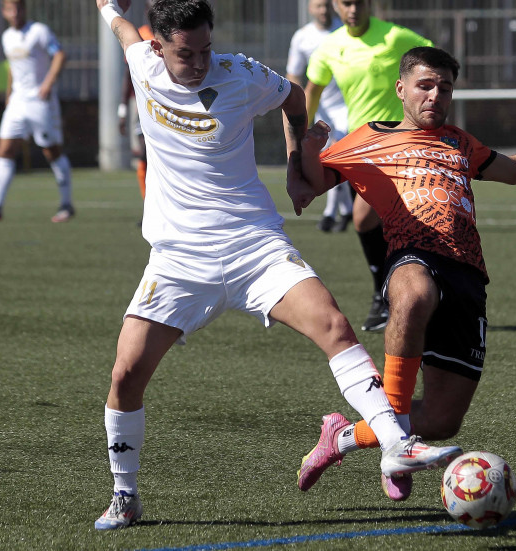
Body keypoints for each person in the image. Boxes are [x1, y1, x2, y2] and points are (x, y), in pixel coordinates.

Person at [91, 0, 461, 530]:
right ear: (159, 47)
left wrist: (295, 166)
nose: (197, 62)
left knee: (334, 325)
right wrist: (108, 6)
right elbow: (122, 26)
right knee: (125, 374)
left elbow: (294, 99)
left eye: (205, 49)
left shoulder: (239, 73)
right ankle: (125, 496)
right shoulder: (141, 62)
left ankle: (397, 444)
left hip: (253, 245)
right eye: (184, 53)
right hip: (178, 258)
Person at [293, 46, 516, 501]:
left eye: (444, 88)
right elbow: (312, 184)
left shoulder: (459, 142)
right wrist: (307, 150)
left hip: (468, 276)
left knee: (443, 419)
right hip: (412, 253)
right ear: (401, 89)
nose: (435, 95)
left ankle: (343, 436)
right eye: (425, 85)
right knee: (414, 297)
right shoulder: (368, 138)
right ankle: (400, 445)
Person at [304, 0, 433, 332]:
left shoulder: (394, 38)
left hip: (403, 143)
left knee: (368, 217)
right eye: (346, 3)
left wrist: (427, 108)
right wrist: (300, 135)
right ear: (335, 5)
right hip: (361, 147)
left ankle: (396, 296)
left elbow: (434, 62)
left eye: (360, 2)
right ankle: (388, 294)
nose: (353, 9)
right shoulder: (330, 47)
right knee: (368, 223)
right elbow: (312, 90)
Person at [0, 0, 75, 223]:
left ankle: (66, 204)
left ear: (25, 10)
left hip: (40, 101)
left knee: (51, 151)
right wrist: (9, 96)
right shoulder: (7, 37)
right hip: (17, 102)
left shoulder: (39, 31)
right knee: (4, 150)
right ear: (4, 12)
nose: (15, 13)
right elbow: (12, 70)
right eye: (10, 9)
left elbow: (60, 55)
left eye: (19, 8)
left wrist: (47, 84)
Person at [285, 0, 353, 234]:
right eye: (318, 6)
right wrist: (295, 110)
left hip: (348, 107)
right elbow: (293, 76)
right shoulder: (302, 37)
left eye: (326, 5)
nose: (322, 10)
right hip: (320, 110)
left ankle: (331, 214)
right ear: (310, 8)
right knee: (327, 159)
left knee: (334, 158)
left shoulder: (345, 31)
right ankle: (345, 211)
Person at [118, 0, 155, 205]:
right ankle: (148, 203)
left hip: (170, 105)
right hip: (142, 105)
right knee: (144, 153)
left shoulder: (173, 36)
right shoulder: (138, 35)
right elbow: (127, 75)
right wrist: (122, 110)